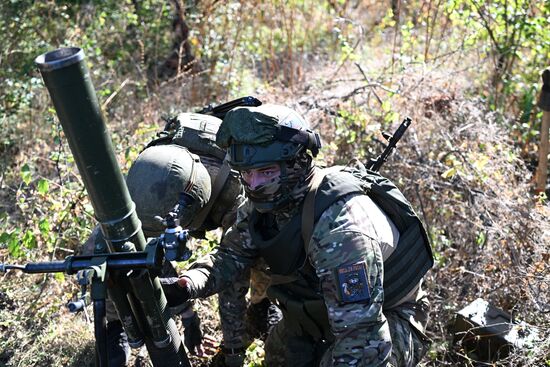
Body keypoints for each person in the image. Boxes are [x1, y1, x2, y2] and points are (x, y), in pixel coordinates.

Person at [161, 104, 434, 366]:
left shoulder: (340, 231)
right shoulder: (266, 202)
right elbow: (231, 257)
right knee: (279, 353)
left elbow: (362, 340)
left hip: (389, 318)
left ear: (297, 163)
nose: (253, 184)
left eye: (266, 172)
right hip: (321, 311)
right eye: (247, 173)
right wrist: (187, 283)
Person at [82, 112, 275, 367]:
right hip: (169, 186)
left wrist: (232, 349)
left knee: (262, 252)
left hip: (225, 206)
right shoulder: (148, 178)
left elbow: (232, 272)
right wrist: (186, 313)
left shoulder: (236, 191)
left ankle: (263, 305)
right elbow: (146, 255)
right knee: (110, 250)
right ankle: (117, 322)